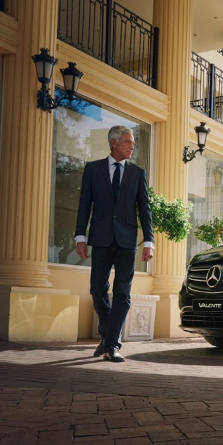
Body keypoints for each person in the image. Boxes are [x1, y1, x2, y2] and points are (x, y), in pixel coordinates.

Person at [75, 126, 154, 362]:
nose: (132, 146)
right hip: (99, 238)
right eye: (128, 142)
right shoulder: (93, 169)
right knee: (97, 289)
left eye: (132, 143)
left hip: (127, 241)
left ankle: (112, 345)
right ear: (114, 143)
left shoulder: (138, 173)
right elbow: (84, 204)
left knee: (122, 292)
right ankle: (109, 334)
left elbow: (145, 209)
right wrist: (80, 236)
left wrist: (149, 240)